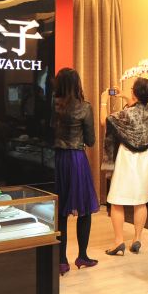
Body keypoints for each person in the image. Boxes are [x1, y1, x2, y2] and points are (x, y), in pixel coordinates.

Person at [103, 76, 148, 256]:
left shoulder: (126, 114)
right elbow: (137, 111)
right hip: (146, 157)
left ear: (135, 93)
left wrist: (103, 101)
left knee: (117, 200)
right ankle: (137, 238)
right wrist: (125, 97)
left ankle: (118, 242)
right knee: (140, 200)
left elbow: (106, 121)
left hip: (128, 157)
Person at [52, 68, 100, 273]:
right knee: (84, 210)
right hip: (76, 160)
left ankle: (61, 260)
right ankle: (82, 256)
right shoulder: (84, 107)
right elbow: (91, 140)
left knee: (60, 211)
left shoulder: (52, 106)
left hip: (57, 159)